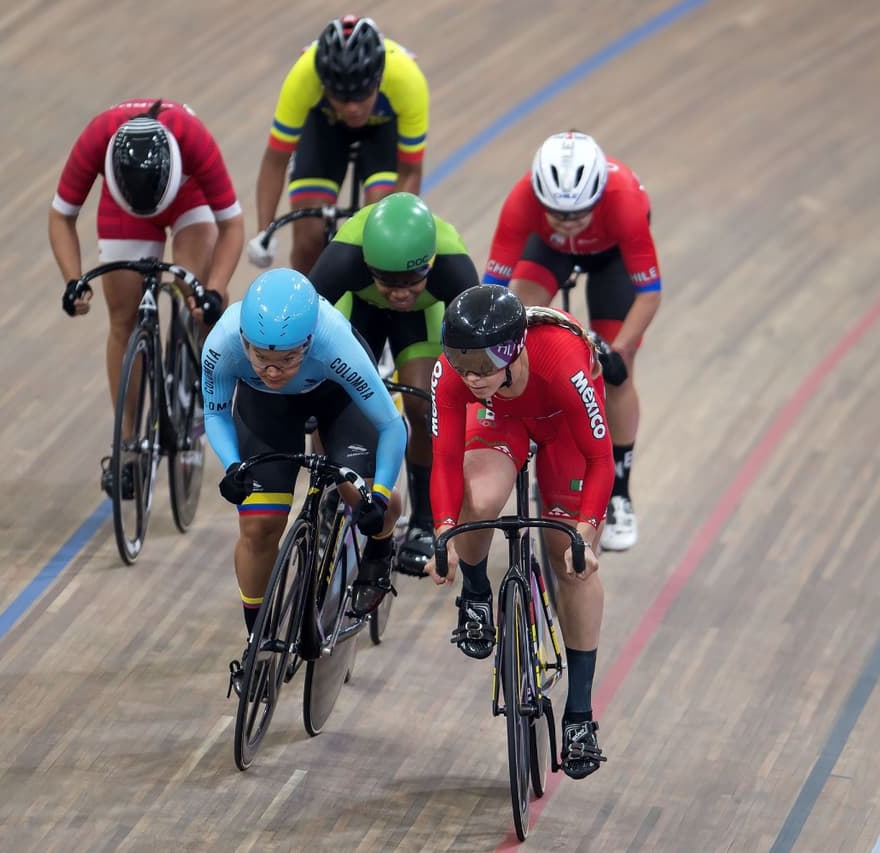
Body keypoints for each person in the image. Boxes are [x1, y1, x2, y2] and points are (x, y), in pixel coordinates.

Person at [428, 285, 611, 780]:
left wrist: (586, 533)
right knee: (480, 500)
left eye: (483, 369)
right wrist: (444, 532)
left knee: (568, 557)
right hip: (502, 422)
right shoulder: (456, 375)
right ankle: (478, 593)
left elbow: (600, 459)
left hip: (564, 430)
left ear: (512, 354)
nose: (472, 377)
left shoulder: (562, 360)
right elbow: (444, 460)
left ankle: (580, 716)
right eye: (463, 366)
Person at [202, 268, 407, 684]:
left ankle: (381, 552)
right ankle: (258, 641)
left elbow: (391, 426)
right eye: (261, 358)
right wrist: (230, 466)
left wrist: (381, 494)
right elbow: (215, 413)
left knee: (362, 495)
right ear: (244, 341)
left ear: (309, 342)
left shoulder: (336, 342)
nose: (274, 371)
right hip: (268, 410)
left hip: (337, 399)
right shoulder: (222, 342)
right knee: (258, 527)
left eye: (287, 359)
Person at [481, 130, 662, 551]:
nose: (567, 222)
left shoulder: (624, 201)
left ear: (598, 194)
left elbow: (650, 293)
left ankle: (618, 491)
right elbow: (492, 289)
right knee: (515, 320)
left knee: (619, 371)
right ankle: (521, 413)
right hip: (548, 251)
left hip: (612, 255)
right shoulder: (522, 198)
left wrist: (618, 352)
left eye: (578, 214)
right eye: (557, 214)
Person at [51, 98, 242, 496]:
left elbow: (232, 225)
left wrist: (215, 291)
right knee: (123, 320)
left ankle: (203, 382)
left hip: (187, 199)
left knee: (198, 295)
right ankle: (126, 449)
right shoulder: (97, 138)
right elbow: (61, 216)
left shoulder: (193, 138)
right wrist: (72, 281)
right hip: (124, 209)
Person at [308, 192, 478, 574]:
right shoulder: (345, 255)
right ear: (367, 264)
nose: (399, 292)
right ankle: (330, 496)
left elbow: (473, 345)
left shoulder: (454, 263)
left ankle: (422, 518)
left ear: (431, 264)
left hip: (419, 320)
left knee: (424, 404)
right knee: (330, 395)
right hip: (360, 309)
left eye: (412, 281)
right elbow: (306, 323)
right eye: (387, 280)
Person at [247, 15, 430, 274]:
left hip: (383, 130)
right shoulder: (303, 76)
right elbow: (275, 160)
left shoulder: (408, 80)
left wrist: (395, 235)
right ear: (323, 82)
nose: (352, 107)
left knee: (377, 226)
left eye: (361, 94)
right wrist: (263, 231)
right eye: (340, 96)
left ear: (378, 78)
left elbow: (410, 172)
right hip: (325, 127)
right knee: (309, 238)